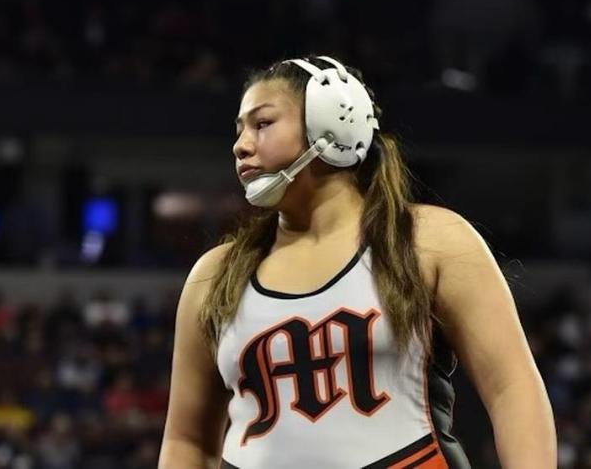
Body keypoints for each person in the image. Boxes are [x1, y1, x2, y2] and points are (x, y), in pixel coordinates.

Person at [159, 56, 555, 468]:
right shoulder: (215, 275)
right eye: (239, 129)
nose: (240, 145)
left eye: (262, 124)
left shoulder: (427, 242)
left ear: (333, 123)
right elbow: (188, 440)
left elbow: (512, 389)